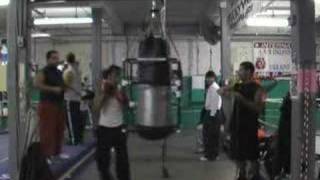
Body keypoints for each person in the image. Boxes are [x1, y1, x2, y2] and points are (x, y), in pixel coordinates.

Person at [218, 61, 265, 180]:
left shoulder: (258, 88)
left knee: (252, 154)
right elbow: (221, 90)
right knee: (238, 155)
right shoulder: (239, 85)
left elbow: (258, 108)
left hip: (249, 128)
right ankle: (241, 174)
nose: (239, 72)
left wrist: (242, 99)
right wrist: (227, 90)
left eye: (241, 70)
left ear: (249, 72)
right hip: (237, 126)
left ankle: (255, 175)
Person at [94, 65, 131, 180]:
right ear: (109, 75)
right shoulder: (102, 87)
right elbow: (96, 108)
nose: (117, 78)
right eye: (115, 75)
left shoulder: (120, 89)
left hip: (119, 128)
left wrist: (120, 95)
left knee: (123, 161)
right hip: (105, 128)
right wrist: (105, 94)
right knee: (102, 161)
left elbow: (127, 105)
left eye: (119, 76)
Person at [35, 50, 67, 161]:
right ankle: (46, 156)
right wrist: (53, 89)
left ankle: (57, 152)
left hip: (59, 104)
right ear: (48, 59)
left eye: (57, 58)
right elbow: (37, 84)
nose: (56, 60)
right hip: (47, 105)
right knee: (47, 131)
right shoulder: (43, 71)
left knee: (59, 129)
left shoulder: (58, 72)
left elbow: (62, 86)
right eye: (54, 58)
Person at [199, 71, 222, 161]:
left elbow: (215, 103)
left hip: (213, 113)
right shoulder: (211, 87)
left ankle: (209, 155)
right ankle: (214, 155)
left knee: (209, 135)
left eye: (209, 78)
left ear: (213, 78)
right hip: (212, 113)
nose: (207, 80)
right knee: (212, 135)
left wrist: (211, 117)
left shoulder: (214, 88)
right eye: (207, 78)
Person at [63, 53, 85, 145]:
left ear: (67, 60)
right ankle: (78, 139)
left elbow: (65, 85)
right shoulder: (77, 70)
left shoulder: (68, 71)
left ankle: (73, 140)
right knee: (77, 120)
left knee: (71, 121)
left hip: (70, 99)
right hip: (77, 99)